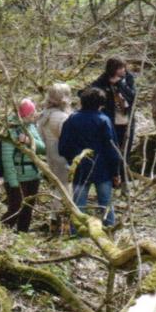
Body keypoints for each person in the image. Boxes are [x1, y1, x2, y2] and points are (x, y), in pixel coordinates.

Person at [59, 87, 121, 229]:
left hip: (79, 167)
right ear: (101, 104)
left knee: (78, 205)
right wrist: (116, 172)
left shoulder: (72, 120)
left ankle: (77, 234)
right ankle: (110, 232)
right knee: (105, 204)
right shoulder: (103, 120)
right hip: (103, 169)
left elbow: (63, 147)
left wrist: (72, 160)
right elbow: (112, 148)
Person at [0, 98, 46, 233]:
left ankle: (22, 234)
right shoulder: (10, 130)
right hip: (17, 178)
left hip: (33, 175)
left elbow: (43, 148)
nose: (34, 117)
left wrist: (28, 141)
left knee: (28, 208)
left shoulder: (31, 126)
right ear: (23, 116)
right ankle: (0, 232)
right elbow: (7, 159)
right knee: (16, 208)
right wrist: (13, 182)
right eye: (31, 115)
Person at [35, 83, 73, 234]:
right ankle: (61, 223)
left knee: (58, 186)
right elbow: (66, 139)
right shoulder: (62, 117)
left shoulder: (44, 115)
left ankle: (55, 221)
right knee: (64, 188)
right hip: (62, 155)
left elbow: (40, 137)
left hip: (50, 154)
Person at [91, 57, 136, 182]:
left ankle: (124, 179)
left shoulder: (128, 78)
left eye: (123, 67)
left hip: (127, 120)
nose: (123, 70)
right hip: (110, 121)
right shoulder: (103, 80)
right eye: (120, 68)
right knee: (111, 150)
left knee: (125, 150)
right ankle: (112, 177)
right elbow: (88, 92)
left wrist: (120, 84)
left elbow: (133, 96)